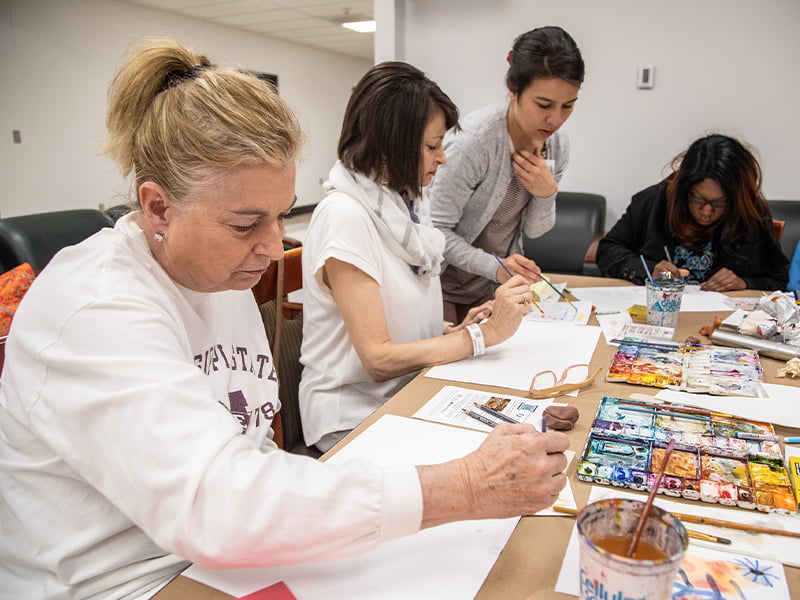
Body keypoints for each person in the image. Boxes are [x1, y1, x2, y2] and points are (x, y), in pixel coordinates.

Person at [0, 39, 572, 599]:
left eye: (280, 216)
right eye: (246, 224)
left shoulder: (220, 277)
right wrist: (465, 485)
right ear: (157, 208)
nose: (275, 250)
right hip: (127, 580)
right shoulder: (94, 307)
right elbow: (218, 506)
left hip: (210, 559)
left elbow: (244, 453)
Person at [299, 62, 576, 453]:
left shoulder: (406, 204)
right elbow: (378, 358)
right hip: (353, 415)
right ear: (390, 144)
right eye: (432, 146)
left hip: (408, 389)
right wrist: (483, 336)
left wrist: (458, 329)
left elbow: (401, 323)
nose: (442, 158)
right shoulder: (345, 216)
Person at [428, 26, 585, 323]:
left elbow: (536, 231)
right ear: (512, 89)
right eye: (544, 105)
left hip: (491, 287)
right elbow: (435, 232)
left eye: (568, 106)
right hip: (440, 286)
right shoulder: (473, 143)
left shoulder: (557, 146)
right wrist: (495, 266)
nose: (556, 120)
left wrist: (546, 193)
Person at [596, 134, 789, 291]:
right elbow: (608, 250)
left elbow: (779, 281)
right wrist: (649, 270)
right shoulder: (654, 201)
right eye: (697, 199)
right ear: (683, 189)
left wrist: (744, 283)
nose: (706, 212)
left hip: (720, 319)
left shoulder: (751, 214)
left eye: (719, 203)